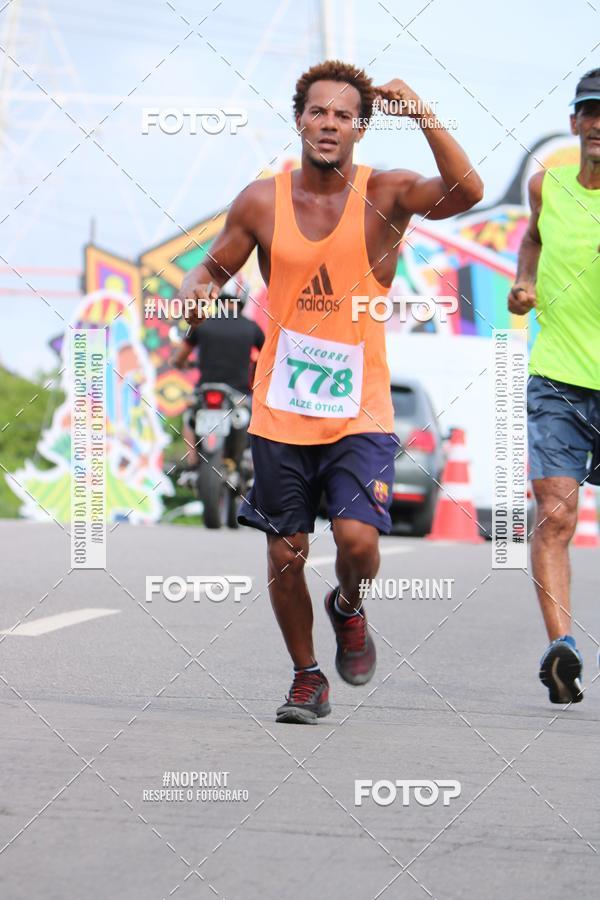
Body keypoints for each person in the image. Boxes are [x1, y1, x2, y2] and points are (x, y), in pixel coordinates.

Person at [182, 60, 483, 723]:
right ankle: (306, 676)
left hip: (359, 410)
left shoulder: (388, 193)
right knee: (285, 551)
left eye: (344, 115)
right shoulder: (261, 201)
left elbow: (467, 192)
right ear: (299, 120)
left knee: (358, 542)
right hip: (281, 410)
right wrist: (195, 292)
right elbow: (210, 267)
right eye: (318, 111)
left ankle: (348, 606)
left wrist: (423, 113)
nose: (329, 124)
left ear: (360, 129)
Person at [509, 68, 600, 704]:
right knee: (556, 514)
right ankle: (561, 647)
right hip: (556, 379)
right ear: (574, 122)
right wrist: (524, 281)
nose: (599, 125)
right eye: (591, 112)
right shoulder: (547, 184)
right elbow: (533, 238)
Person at [172, 287, 264, 469]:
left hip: (205, 391)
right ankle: (249, 461)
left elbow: (178, 359)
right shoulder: (251, 327)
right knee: (257, 423)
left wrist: (182, 363)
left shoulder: (201, 323)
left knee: (189, 418)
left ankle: (192, 461)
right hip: (239, 395)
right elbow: (270, 356)